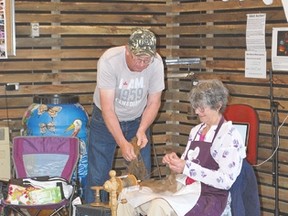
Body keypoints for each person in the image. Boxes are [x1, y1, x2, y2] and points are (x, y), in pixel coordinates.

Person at [117, 79, 247, 216]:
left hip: (209, 196)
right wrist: (176, 162)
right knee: (128, 197)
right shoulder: (196, 130)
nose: (197, 111)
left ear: (218, 105)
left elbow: (225, 181)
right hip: (186, 188)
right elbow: (186, 165)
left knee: (159, 205)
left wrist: (187, 167)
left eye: (202, 108)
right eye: (196, 106)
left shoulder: (229, 136)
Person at [84, 28, 165, 203]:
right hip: (105, 120)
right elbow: (108, 109)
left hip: (137, 119)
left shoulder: (156, 63)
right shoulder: (109, 61)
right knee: (98, 175)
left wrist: (142, 130)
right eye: (138, 59)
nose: (142, 65)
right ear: (127, 50)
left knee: (140, 176)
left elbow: (154, 102)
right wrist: (122, 142)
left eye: (146, 60)